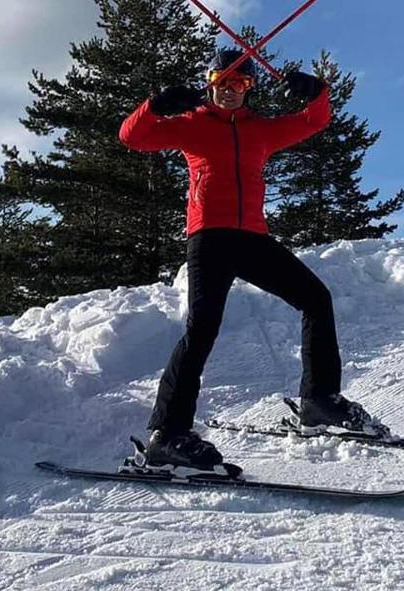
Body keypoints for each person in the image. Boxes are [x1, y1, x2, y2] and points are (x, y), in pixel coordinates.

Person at [118, 47, 389, 471]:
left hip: (253, 239)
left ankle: (319, 401)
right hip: (209, 238)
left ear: (250, 87)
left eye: (240, 83)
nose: (230, 90)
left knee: (316, 299)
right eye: (223, 81)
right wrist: (154, 106)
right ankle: (167, 435)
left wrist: (317, 91)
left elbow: (314, 120)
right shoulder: (191, 126)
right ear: (210, 82)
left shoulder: (260, 131)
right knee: (202, 328)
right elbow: (132, 136)